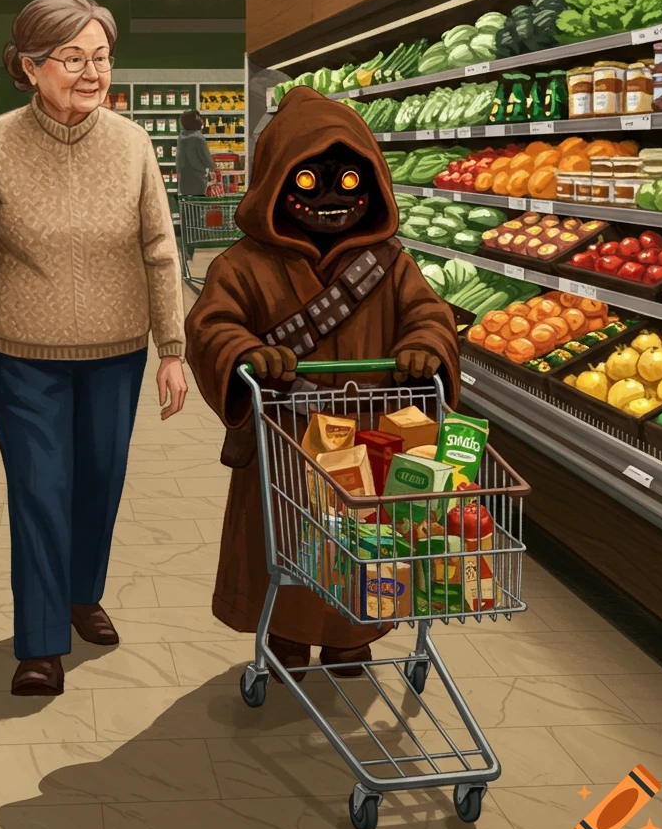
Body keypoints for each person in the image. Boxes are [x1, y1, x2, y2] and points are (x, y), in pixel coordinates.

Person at [0, 0, 188, 697]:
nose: (91, 72)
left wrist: (171, 348)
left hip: (118, 351)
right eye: (73, 58)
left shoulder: (133, 142)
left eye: (101, 58)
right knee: (41, 490)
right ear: (29, 67)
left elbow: (160, 250)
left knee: (100, 480)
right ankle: (42, 640)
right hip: (24, 353)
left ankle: (83, 594)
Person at [185, 85, 460, 681]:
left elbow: (429, 315)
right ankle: (284, 638)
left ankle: (350, 638)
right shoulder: (243, 266)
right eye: (308, 183)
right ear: (276, 184)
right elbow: (210, 326)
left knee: (365, 540)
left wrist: (424, 348)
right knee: (286, 539)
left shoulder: (391, 264)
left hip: (372, 441)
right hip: (285, 439)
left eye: (350, 183)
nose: (332, 199)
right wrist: (247, 352)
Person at [176, 109, 217, 262]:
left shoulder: (181, 137)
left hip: (184, 180)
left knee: (186, 214)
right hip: (198, 179)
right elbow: (207, 159)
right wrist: (213, 168)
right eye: (198, 118)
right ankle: (194, 246)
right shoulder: (198, 138)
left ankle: (186, 248)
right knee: (197, 213)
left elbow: (179, 162)